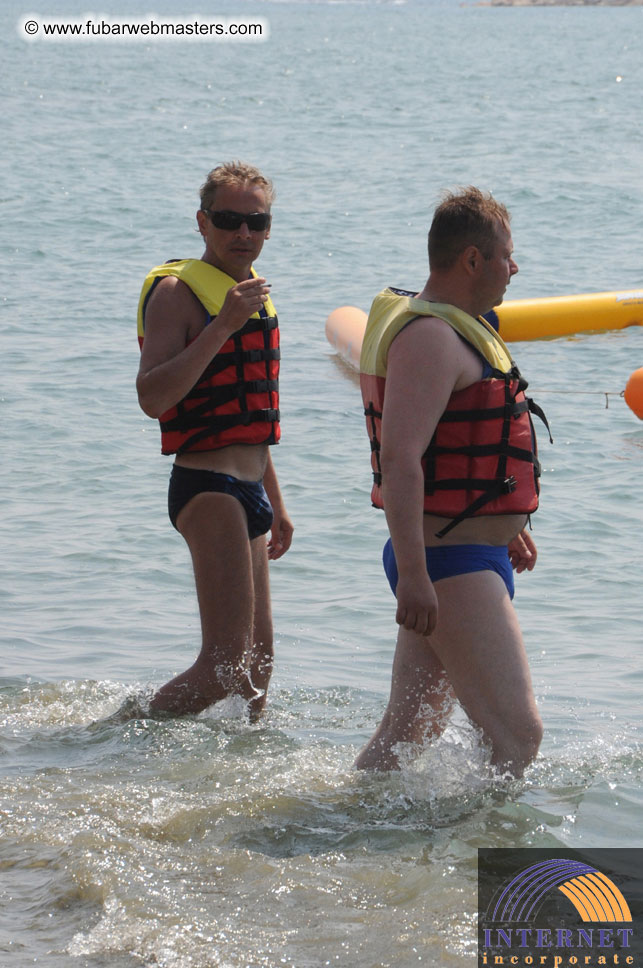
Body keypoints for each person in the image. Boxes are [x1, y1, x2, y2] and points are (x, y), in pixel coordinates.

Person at [354, 187, 551, 776]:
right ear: (471, 260)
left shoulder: (461, 328)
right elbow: (403, 459)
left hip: (465, 554)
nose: (514, 268)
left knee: (405, 737)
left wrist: (502, 522)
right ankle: (484, 865)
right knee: (519, 736)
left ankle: (349, 835)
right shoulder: (432, 338)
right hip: (443, 564)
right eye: (505, 256)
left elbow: (456, 448)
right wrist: (414, 575)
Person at [135, 161, 293, 718]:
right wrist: (222, 326)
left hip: (250, 488)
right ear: (202, 223)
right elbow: (153, 395)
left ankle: (247, 776)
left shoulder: (252, 295)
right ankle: (122, 733)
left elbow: (252, 412)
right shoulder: (179, 295)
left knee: (258, 666)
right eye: (228, 220)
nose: (243, 234)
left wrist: (276, 500)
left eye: (256, 221)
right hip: (207, 485)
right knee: (226, 662)